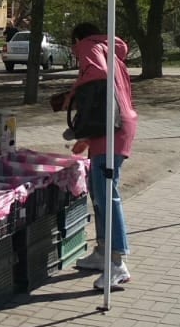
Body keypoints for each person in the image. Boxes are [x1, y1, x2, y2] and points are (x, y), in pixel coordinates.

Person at [50, 22, 137, 290]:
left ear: (78, 39)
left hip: (112, 131)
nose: (76, 53)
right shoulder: (111, 51)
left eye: (73, 46)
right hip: (114, 128)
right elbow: (103, 93)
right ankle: (102, 252)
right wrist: (86, 138)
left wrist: (74, 94)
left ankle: (117, 262)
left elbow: (97, 80)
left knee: (107, 196)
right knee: (99, 195)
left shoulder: (90, 47)